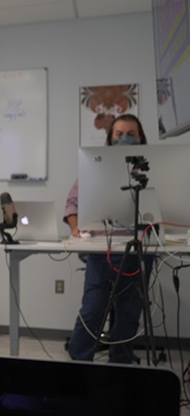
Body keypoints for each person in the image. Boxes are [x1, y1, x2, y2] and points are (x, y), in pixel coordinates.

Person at [65, 114, 153, 364]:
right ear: (110, 138)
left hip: (139, 251)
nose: (126, 139)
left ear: (141, 138)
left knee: (128, 316)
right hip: (102, 252)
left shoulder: (153, 168)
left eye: (131, 134)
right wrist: (75, 228)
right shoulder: (95, 167)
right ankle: (79, 364)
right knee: (92, 311)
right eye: (119, 134)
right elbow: (72, 204)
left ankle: (120, 368)